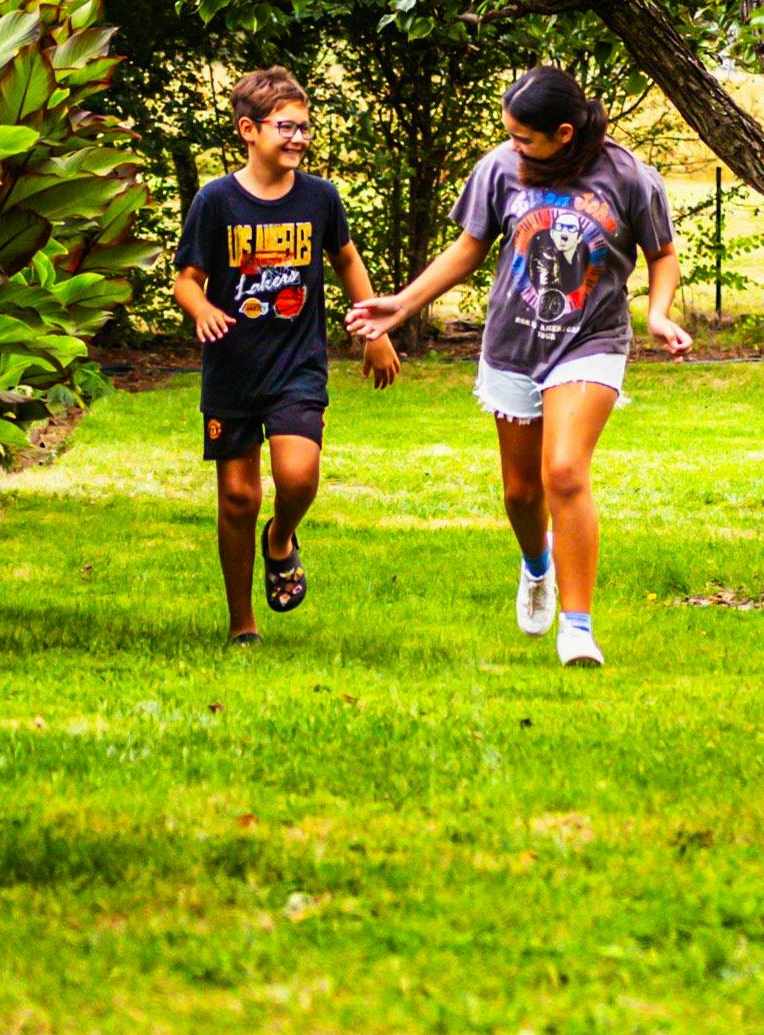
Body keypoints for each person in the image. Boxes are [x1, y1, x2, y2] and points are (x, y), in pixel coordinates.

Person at [348, 66, 687, 668]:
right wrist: (401, 304)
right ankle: (538, 566)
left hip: (592, 339)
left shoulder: (628, 174)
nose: (513, 146)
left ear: (563, 132)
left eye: (524, 138)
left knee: (563, 472)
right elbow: (468, 249)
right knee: (521, 492)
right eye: (509, 135)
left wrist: (659, 315)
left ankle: (577, 629)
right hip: (514, 343)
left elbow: (661, 254)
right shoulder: (500, 169)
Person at [172, 68, 399, 645]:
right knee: (237, 496)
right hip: (232, 366)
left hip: (296, 364)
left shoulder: (320, 198)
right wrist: (200, 309)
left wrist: (373, 326)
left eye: (304, 127)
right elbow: (186, 280)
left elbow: (346, 260)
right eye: (286, 127)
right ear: (249, 130)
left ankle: (281, 537)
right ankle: (241, 622)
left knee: (296, 475)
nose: (298, 137)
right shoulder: (216, 200)